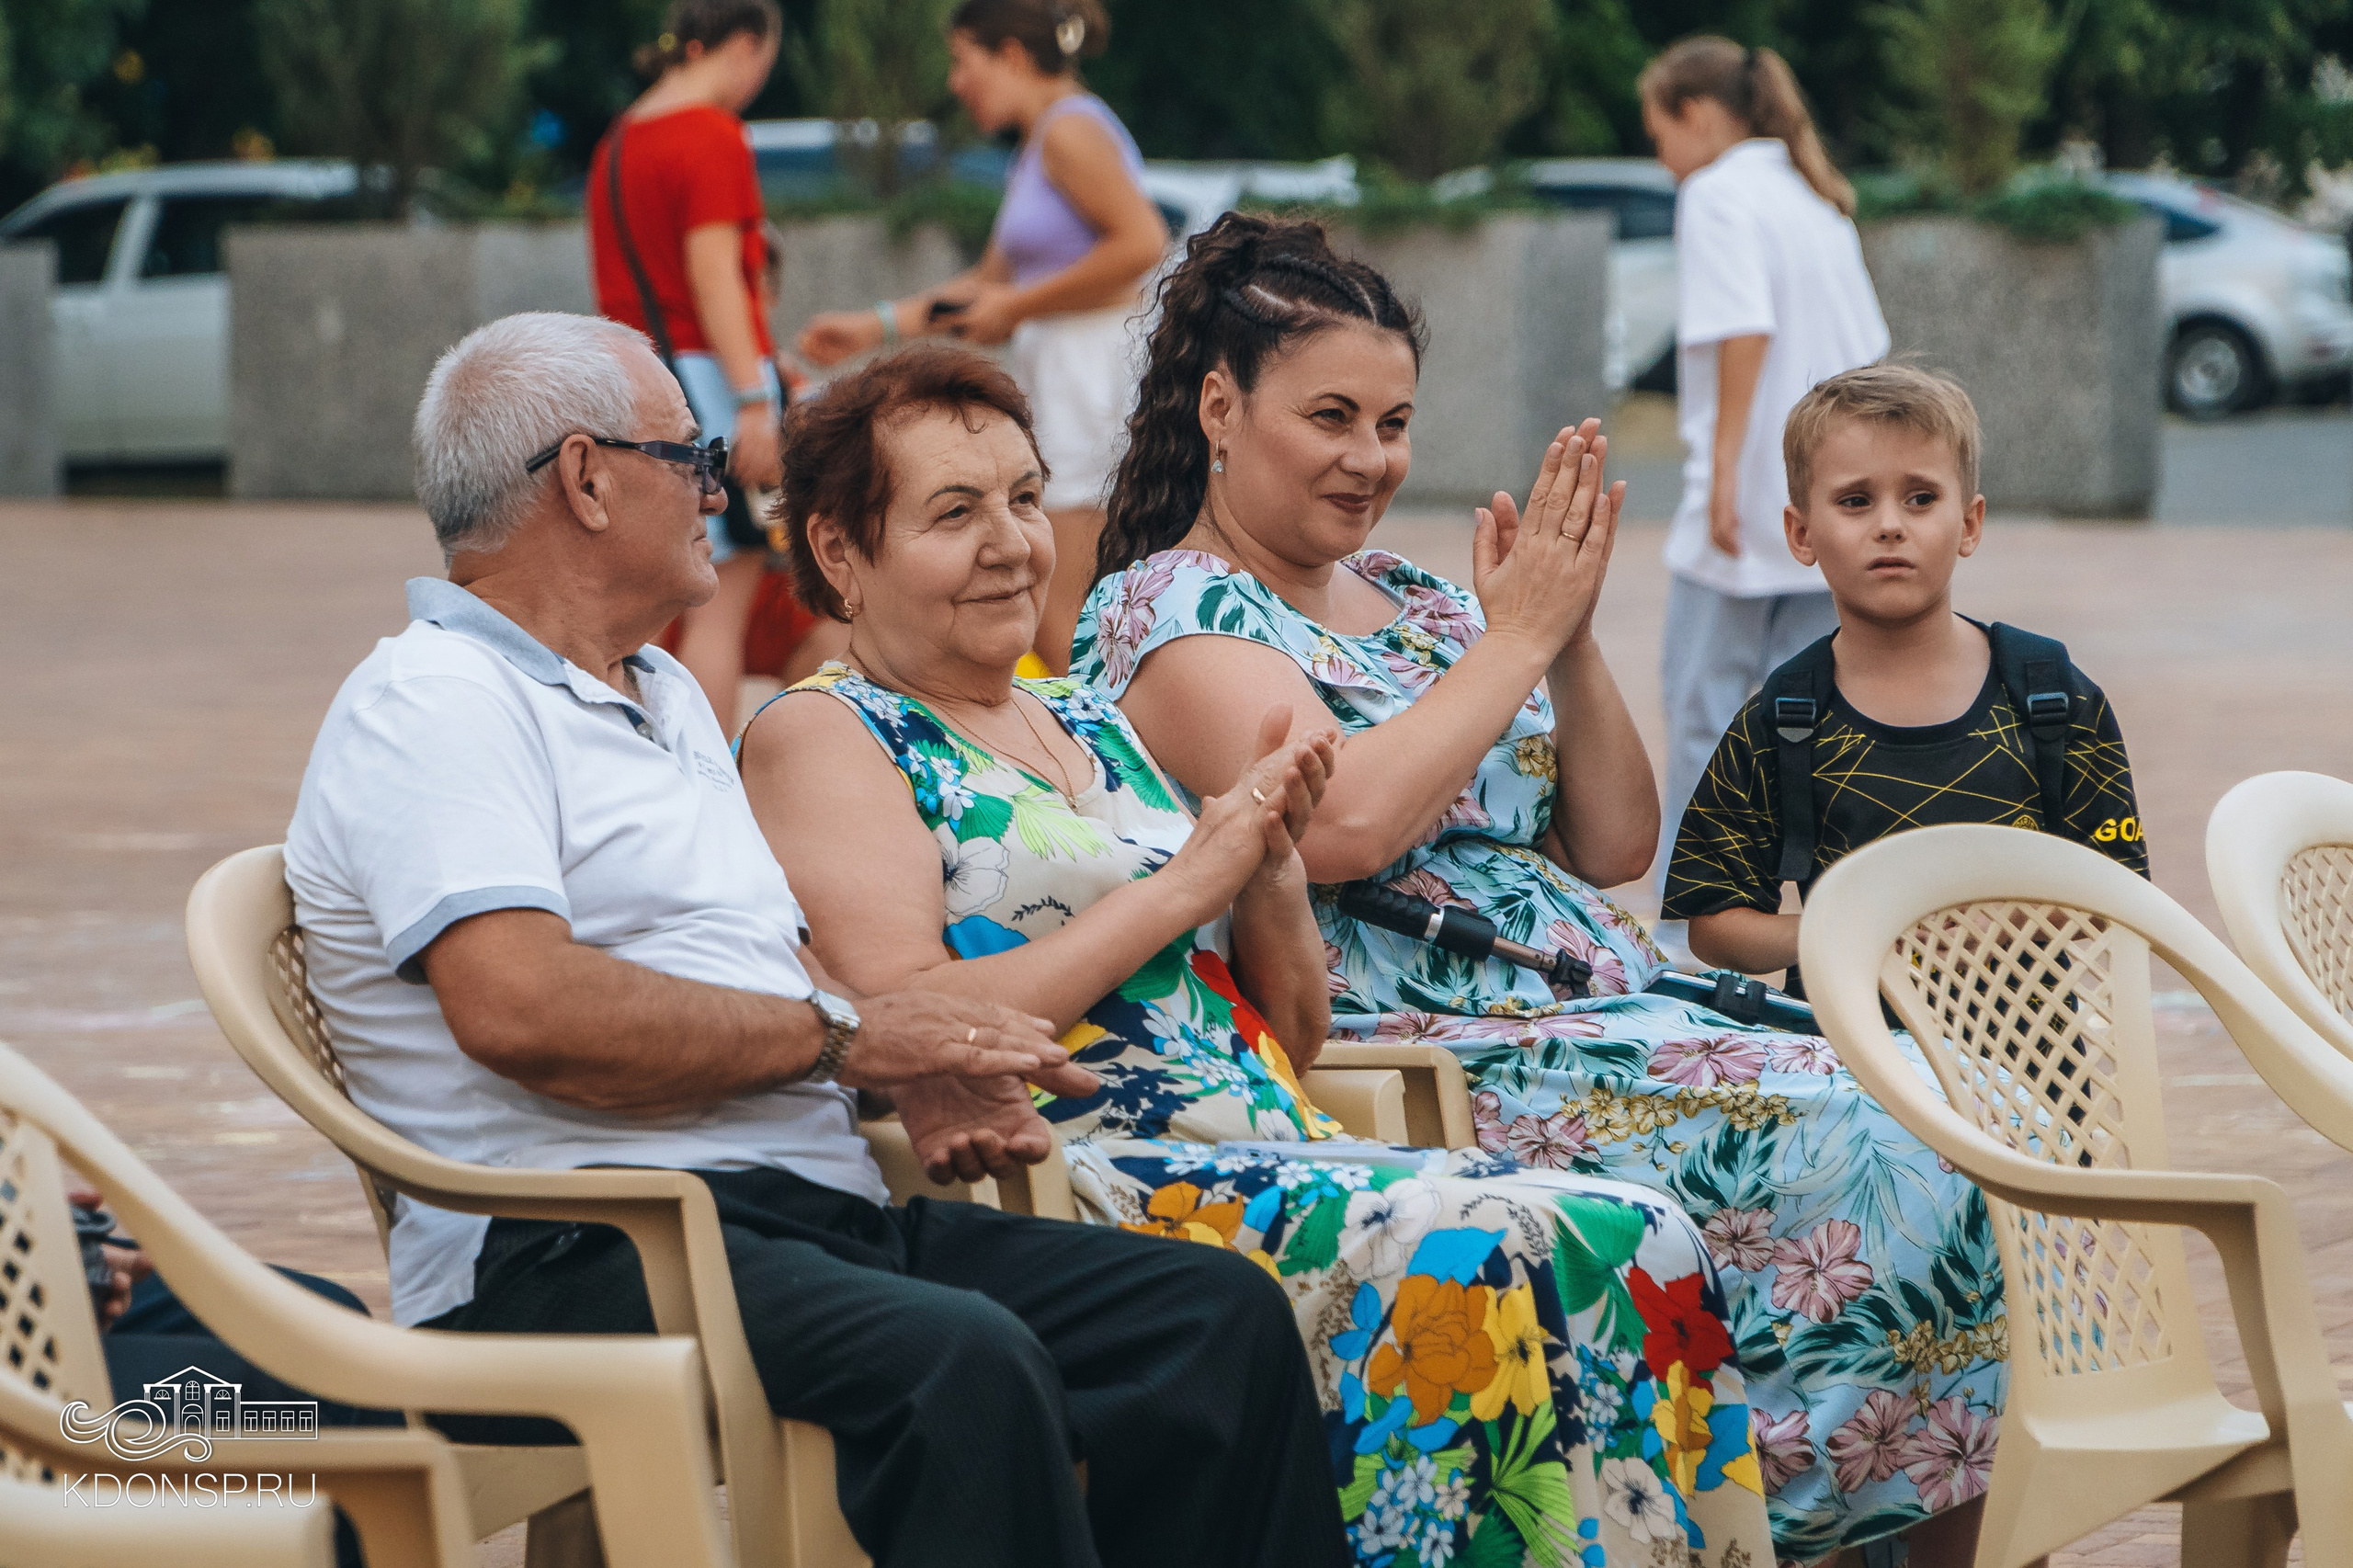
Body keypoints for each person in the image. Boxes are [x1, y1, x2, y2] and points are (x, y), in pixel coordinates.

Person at [282, 311, 1348, 1568]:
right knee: (963, 1362)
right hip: (579, 1246)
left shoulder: (661, 692)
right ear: (583, 476)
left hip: (793, 1211)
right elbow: (518, 1006)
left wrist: (914, 1058)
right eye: (692, 458)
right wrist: (849, 1034)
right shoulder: (438, 702)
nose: (723, 493)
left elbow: (755, 953)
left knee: (1209, 1316)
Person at [736, 345, 1775, 1568]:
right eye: (953, 513)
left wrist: (1271, 865)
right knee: (1495, 1241)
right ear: (841, 552)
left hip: (1267, 1137)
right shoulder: (828, 730)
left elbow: (1292, 1025)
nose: (1013, 542)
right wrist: (1188, 880)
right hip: (1075, 1181)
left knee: (1637, 1228)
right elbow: (913, 1010)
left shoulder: (1077, 712)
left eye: (1024, 497)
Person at [1070, 213, 2006, 1567]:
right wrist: (1512, 638)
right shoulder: (1170, 610)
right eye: (1329, 415)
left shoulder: (1412, 596)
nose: (1370, 458)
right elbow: (1345, 823)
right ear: (1220, 406)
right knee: (1901, 1139)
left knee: (1972, 1098)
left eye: (1393, 421)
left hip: (1611, 1004)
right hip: (1438, 1052)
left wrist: (1562, 641)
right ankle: (1793, 1519)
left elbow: (1616, 834)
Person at [1665, 363, 2148, 981]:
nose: (1890, 524)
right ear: (1801, 532)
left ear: (1969, 524)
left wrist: (1995, 925)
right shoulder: (1782, 719)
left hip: (2025, 1072)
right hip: (1842, 1069)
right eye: (1855, 501)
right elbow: (1712, 923)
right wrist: (1842, 930)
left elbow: (2122, 888)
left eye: (1921, 498)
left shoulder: (2051, 696)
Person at [796, 0, 1167, 675]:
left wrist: (1020, 305)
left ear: (1014, 57)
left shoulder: (1068, 132)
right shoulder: (1043, 139)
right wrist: (874, 326)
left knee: (1063, 603)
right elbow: (988, 283)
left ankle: (1094, 758)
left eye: (965, 61)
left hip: (1088, 371)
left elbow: (1143, 241)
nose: (956, 82)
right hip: (1065, 367)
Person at [1639, 37, 1889, 949]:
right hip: (1830, 497)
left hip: (1752, 502)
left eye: (1657, 130)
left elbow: (1740, 334)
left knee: (1703, 717)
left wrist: (1723, 476)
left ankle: (1685, 935)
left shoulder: (1716, 195)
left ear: (1697, 115)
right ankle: (1809, 925)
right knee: (1806, 722)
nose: (1659, 155)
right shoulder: (1811, 196)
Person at [586, 0, 789, 732]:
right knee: (717, 606)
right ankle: (707, 784)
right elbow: (714, 279)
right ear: (744, 44)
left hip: (624, 385)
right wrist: (756, 399)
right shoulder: (711, 134)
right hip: (706, 392)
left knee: (647, 604)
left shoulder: (618, 142)